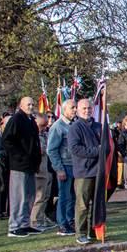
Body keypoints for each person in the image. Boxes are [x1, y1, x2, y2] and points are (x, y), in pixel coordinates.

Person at [1, 97, 42, 238]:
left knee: (29, 195)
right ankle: (14, 226)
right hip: (19, 165)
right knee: (19, 195)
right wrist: (20, 156)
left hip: (30, 165)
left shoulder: (31, 121)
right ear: (21, 105)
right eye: (28, 104)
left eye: (32, 104)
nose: (31, 106)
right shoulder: (16, 119)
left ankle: (25, 224)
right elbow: (7, 140)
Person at [67, 99, 102, 244]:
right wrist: (96, 151)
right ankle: (80, 233)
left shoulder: (98, 126)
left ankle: (95, 231)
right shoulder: (75, 127)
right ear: (78, 110)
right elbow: (75, 149)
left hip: (99, 171)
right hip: (84, 171)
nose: (87, 111)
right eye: (84, 108)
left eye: (89, 108)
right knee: (82, 205)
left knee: (97, 204)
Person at [46, 100, 77, 235]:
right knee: (63, 196)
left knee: (73, 196)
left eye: (75, 107)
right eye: (72, 107)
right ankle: (62, 223)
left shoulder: (74, 125)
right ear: (64, 110)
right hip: (64, 165)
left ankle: (70, 221)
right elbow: (51, 150)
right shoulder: (58, 126)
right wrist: (59, 168)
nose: (75, 110)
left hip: (75, 165)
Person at [29, 115, 55, 230]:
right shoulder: (33, 136)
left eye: (45, 125)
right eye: (41, 125)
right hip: (38, 171)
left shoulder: (45, 134)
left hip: (47, 169)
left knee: (46, 196)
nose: (44, 128)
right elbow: (42, 150)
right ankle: (34, 221)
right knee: (38, 197)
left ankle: (41, 218)